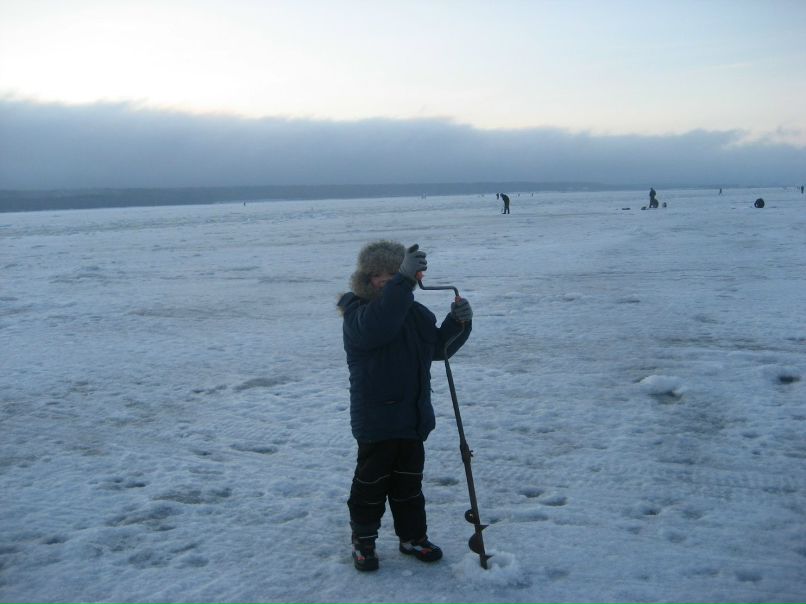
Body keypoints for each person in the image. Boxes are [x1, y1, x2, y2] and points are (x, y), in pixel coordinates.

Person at [337, 241, 473, 572]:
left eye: (393, 273)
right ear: (367, 279)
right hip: (377, 419)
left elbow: (439, 349)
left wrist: (458, 323)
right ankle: (364, 541)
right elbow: (380, 325)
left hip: (412, 417)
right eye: (382, 274)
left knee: (408, 487)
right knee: (370, 487)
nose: (388, 280)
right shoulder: (358, 314)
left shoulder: (414, 312)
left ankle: (413, 537)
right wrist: (403, 280)